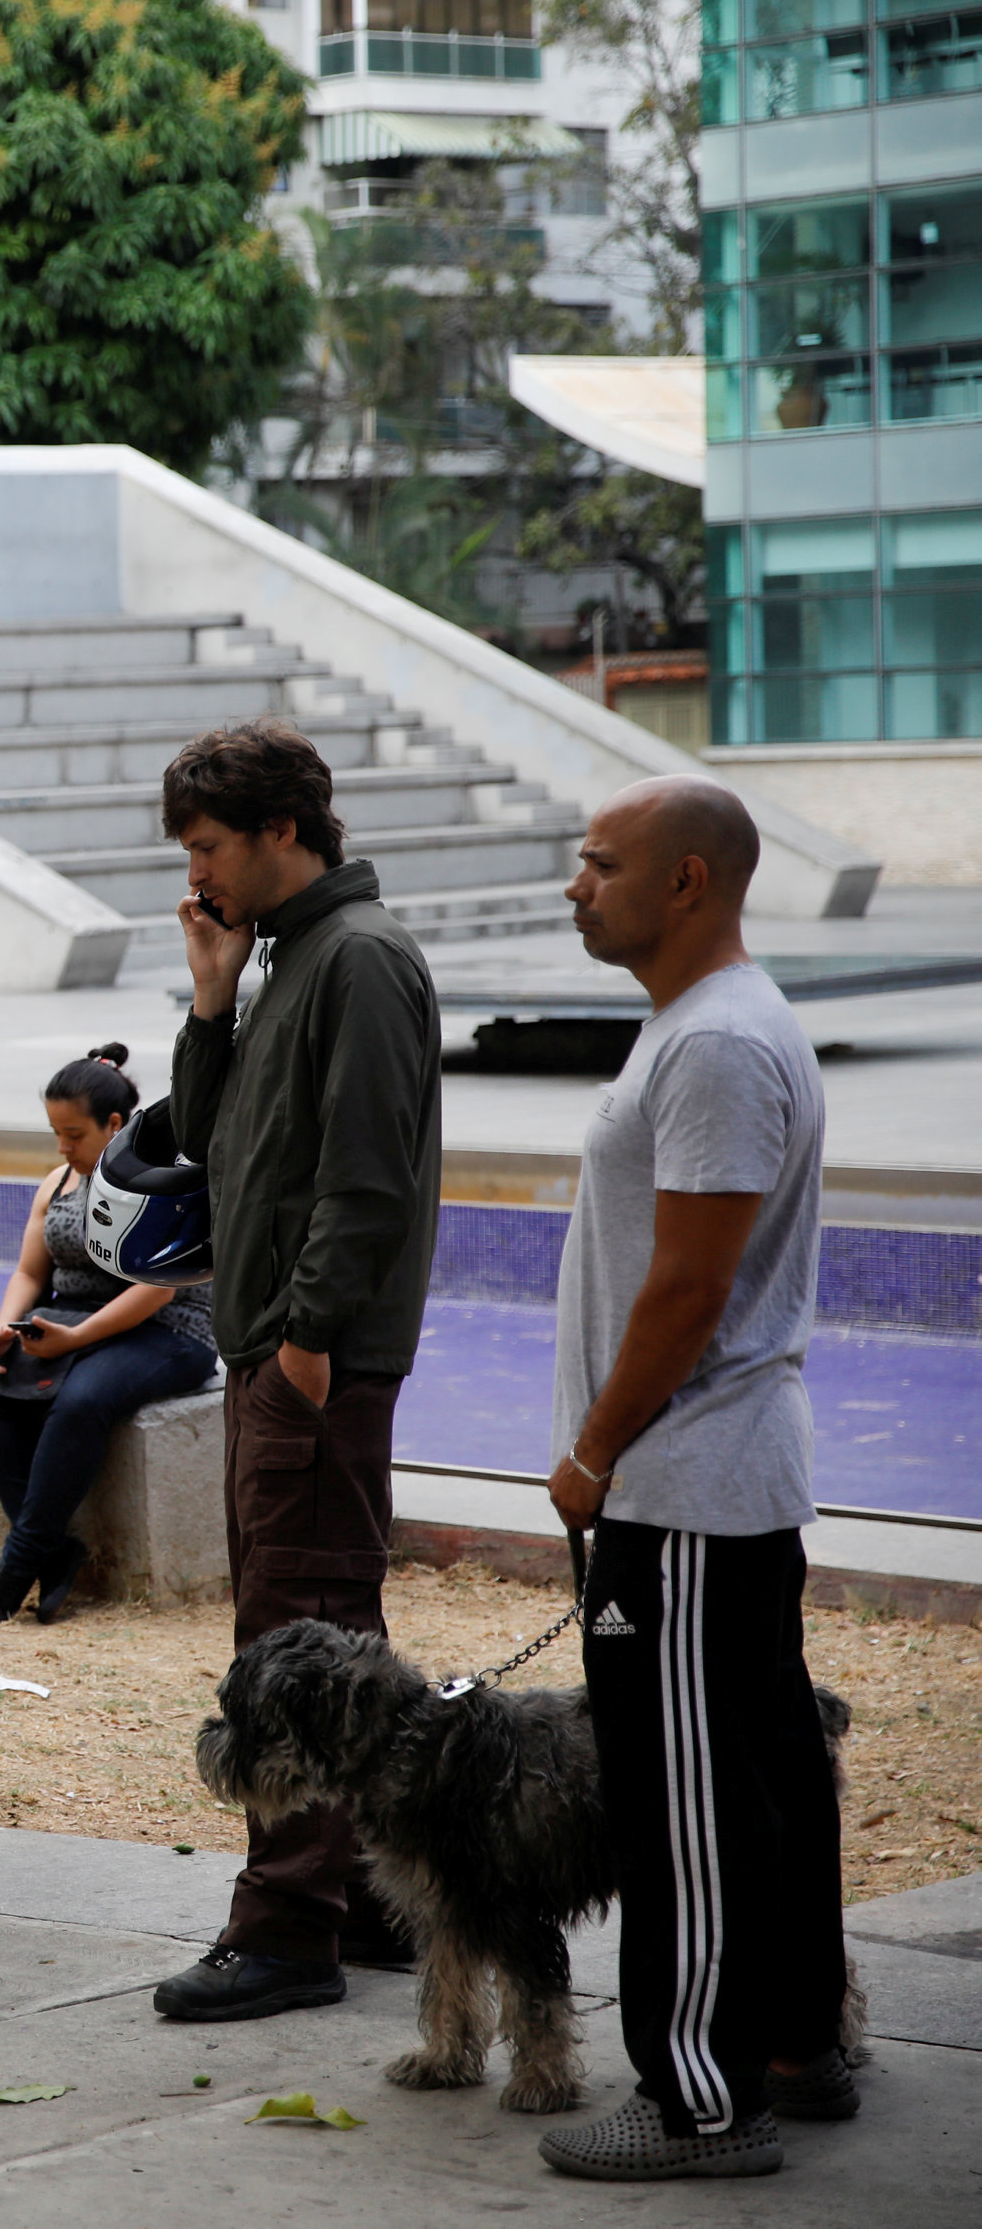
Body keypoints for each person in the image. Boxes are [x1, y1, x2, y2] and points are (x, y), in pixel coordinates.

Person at [537, 778, 849, 2183]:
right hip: (712, 1486)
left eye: (601, 863)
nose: (574, 882)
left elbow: (688, 1284)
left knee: (687, 1803)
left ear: (689, 881)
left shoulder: (718, 1042)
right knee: (766, 1775)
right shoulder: (701, 1026)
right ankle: (792, 2038)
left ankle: (697, 2099)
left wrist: (596, 1447)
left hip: (682, 1491)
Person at [154, 720, 442, 2022]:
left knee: (295, 1644)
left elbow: (364, 1181)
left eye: (211, 847)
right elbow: (213, 1148)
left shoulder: (360, 961)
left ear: (284, 830)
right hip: (277, 1348)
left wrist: (308, 1351)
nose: (198, 874)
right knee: (330, 1630)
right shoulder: (286, 959)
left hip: (308, 1358)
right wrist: (211, 995)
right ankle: (374, 1892)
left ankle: (286, 1926)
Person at [0, 1043, 220, 1626]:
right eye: (55, 1133)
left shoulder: (162, 1180)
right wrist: (8, 1326)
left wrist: (72, 1343)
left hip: (166, 1331)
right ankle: (58, 1553)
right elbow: (31, 1271)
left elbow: (159, 1287)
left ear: (114, 1125)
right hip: (76, 1326)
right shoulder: (59, 1181)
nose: (62, 1148)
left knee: (80, 1403)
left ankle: (20, 1564)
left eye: (73, 1135)